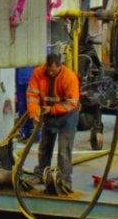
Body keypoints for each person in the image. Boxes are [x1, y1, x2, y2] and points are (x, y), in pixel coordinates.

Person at [27, 47, 80, 195]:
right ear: (46, 66)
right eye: (49, 70)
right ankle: (40, 174)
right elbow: (32, 96)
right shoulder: (38, 73)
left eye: (54, 71)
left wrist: (53, 109)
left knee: (64, 150)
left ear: (60, 67)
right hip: (47, 113)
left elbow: (72, 103)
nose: (51, 73)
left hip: (67, 116)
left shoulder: (69, 77)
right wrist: (34, 113)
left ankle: (65, 180)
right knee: (45, 146)